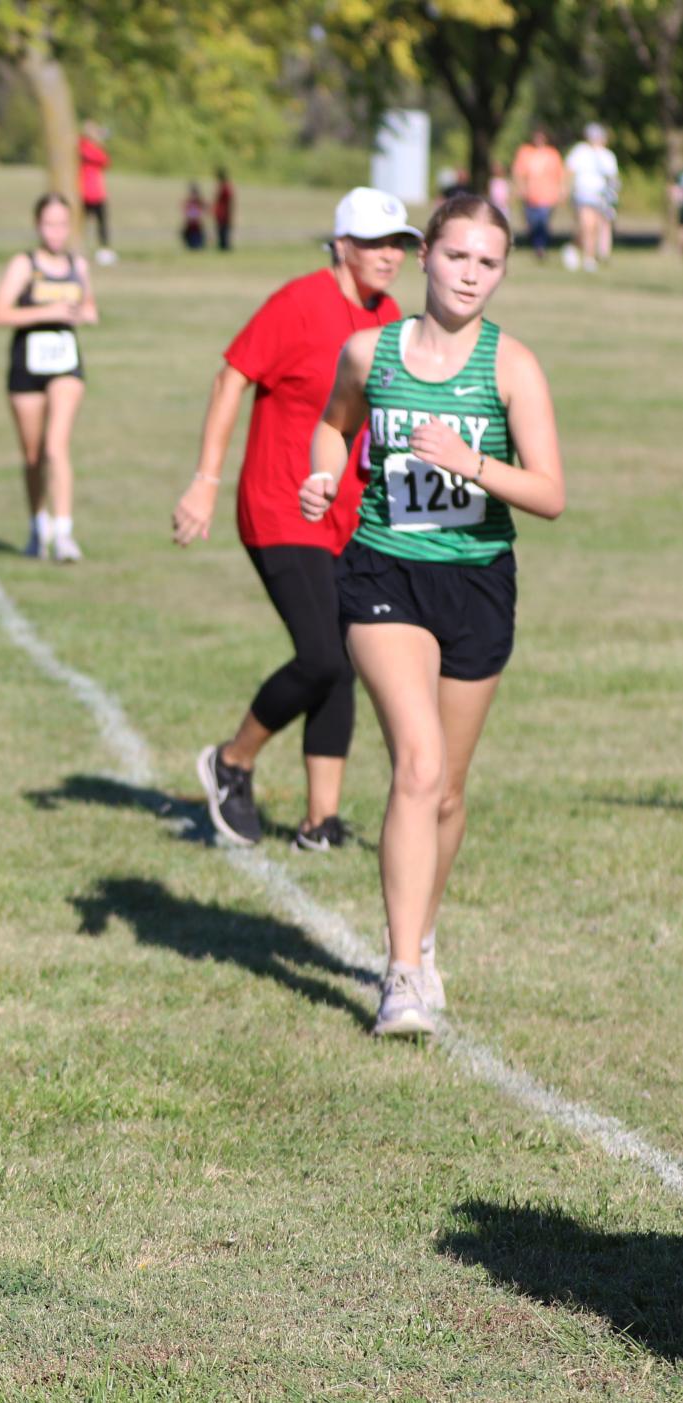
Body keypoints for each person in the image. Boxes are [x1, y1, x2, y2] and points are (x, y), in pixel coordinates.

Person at [300, 194, 565, 1037]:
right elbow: (333, 428)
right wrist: (320, 476)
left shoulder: (511, 367)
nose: (469, 276)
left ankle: (420, 927)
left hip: (477, 583)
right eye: (456, 257)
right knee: (415, 764)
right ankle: (402, 974)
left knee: (446, 790)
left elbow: (551, 494)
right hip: (384, 571)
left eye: (487, 263)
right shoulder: (368, 351)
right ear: (425, 258)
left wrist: (472, 462)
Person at [171, 186, 414, 851]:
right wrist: (203, 480)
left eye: (398, 244)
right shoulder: (297, 303)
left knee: (344, 655)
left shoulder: (389, 314)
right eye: (373, 243)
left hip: (349, 512)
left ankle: (319, 821)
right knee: (319, 655)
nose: (388, 256)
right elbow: (231, 377)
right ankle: (232, 760)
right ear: (340, 245)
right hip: (279, 505)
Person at [0, 193, 97, 562]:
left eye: (63, 224)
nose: (56, 231)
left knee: (56, 446)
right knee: (33, 455)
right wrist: (44, 312)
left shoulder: (77, 265)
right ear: (38, 225)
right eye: (50, 223)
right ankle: (39, 526)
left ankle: (65, 533)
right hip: (27, 364)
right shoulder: (24, 264)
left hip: (66, 364)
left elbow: (91, 308)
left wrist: (82, 314)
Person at [565, 124, 619, 272]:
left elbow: (612, 178)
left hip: (600, 196)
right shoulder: (580, 151)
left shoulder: (607, 156)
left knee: (594, 227)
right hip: (582, 194)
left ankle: (581, 251)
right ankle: (588, 258)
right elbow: (569, 170)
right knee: (587, 225)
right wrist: (565, 189)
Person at [511, 127, 564, 264]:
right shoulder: (525, 152)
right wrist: (520, 188)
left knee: (543, 221)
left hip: (548, 195)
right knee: (532, 223)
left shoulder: (553, 154)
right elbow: (518, 172)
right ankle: (536, 244)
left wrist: (561, 191)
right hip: (530, 195)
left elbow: (559, 175)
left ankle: (540, 247)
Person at [79, 122, 116, 265]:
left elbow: (106, 161)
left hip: (98, 193)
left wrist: (98, 143)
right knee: (83, 224)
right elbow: (100, 159)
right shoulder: (85, 148)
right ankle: (81, 249)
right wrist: (97, 142)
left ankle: (104, 251)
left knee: (102, 224)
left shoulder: (93, 148)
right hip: (86, 193)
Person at [214, 169, 235, 252]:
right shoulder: (224, 186)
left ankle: (224, 246)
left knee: (224, 230)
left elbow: (229, 200)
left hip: (223, 212)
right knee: (222, 230)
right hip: (221, 212)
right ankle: (223, 246)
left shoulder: (225, 187)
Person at [182, 183, 207, 250]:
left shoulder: (199, 201)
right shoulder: (190, 201)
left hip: (196, 225)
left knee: (197, 240)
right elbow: (185, 210)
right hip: (191, 225)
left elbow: (204, 210)